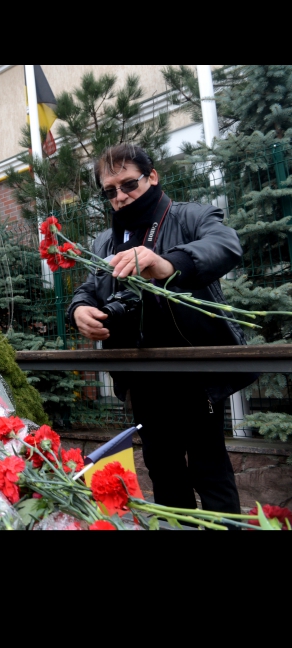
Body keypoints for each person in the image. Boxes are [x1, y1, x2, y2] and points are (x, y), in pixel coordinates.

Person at [68, 144, 257, 516]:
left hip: (194, 372)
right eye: (110, 191)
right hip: (143, 379)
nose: (120, 197)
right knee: (164, 475)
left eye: (129, 184)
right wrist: (80, 309)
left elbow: (225, 245)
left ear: (152, 176)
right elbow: (89, 287)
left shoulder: (190, 216)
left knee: (210, 471)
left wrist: (166, 263)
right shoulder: (105, 241)